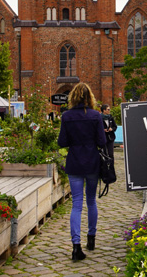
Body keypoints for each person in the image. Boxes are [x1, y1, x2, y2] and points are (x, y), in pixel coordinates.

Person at [57, 83, 106, 261]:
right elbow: (101, 141)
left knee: (76, 204)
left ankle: (76, 246)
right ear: (89, 97)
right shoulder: (95, 116)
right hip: (92, 162)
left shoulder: (67, 116)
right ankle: (91, 239)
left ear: (73, 97)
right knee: (91, 201)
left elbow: (62, 142)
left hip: (75, 162)